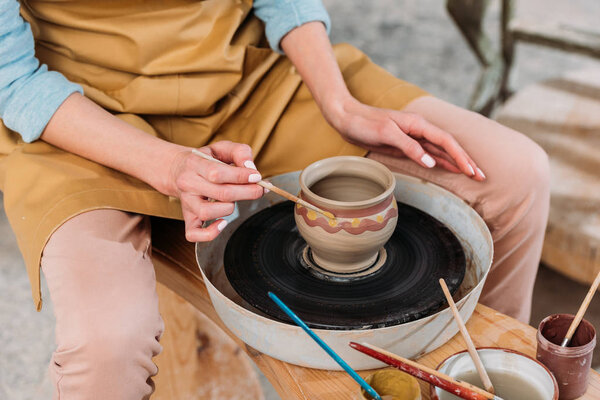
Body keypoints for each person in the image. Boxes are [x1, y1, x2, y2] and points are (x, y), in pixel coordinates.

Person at [0, 0, 550, 398]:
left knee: (512, 173)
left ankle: (474, 378)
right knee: (106, 348)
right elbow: (11, 77)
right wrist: (168, 165)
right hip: (76, 113)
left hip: (241, 77)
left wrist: (340, 105)